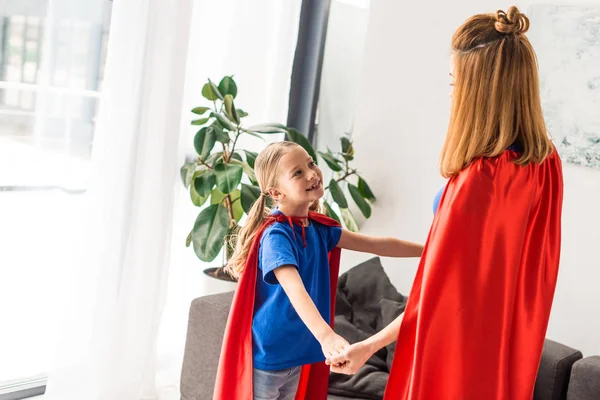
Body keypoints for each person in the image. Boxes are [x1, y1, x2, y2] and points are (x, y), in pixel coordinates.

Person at [327, 6, 564, 400]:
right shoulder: (544, 164)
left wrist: (368, 345)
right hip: (502, 352)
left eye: (455, 83)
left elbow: (434, 294)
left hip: (454, 355)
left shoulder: (479, 180)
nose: (452, 92)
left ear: (478, 92)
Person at [212, 141, 424, 400]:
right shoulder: (276, 235)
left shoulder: (319, 229)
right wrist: (327, 337)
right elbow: (295, 290)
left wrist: (430, 249)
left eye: (310, 164)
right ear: (276, 192)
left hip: (298, 353)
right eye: (298, 173)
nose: (312, 173)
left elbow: (378, 244)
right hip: (271, 355)